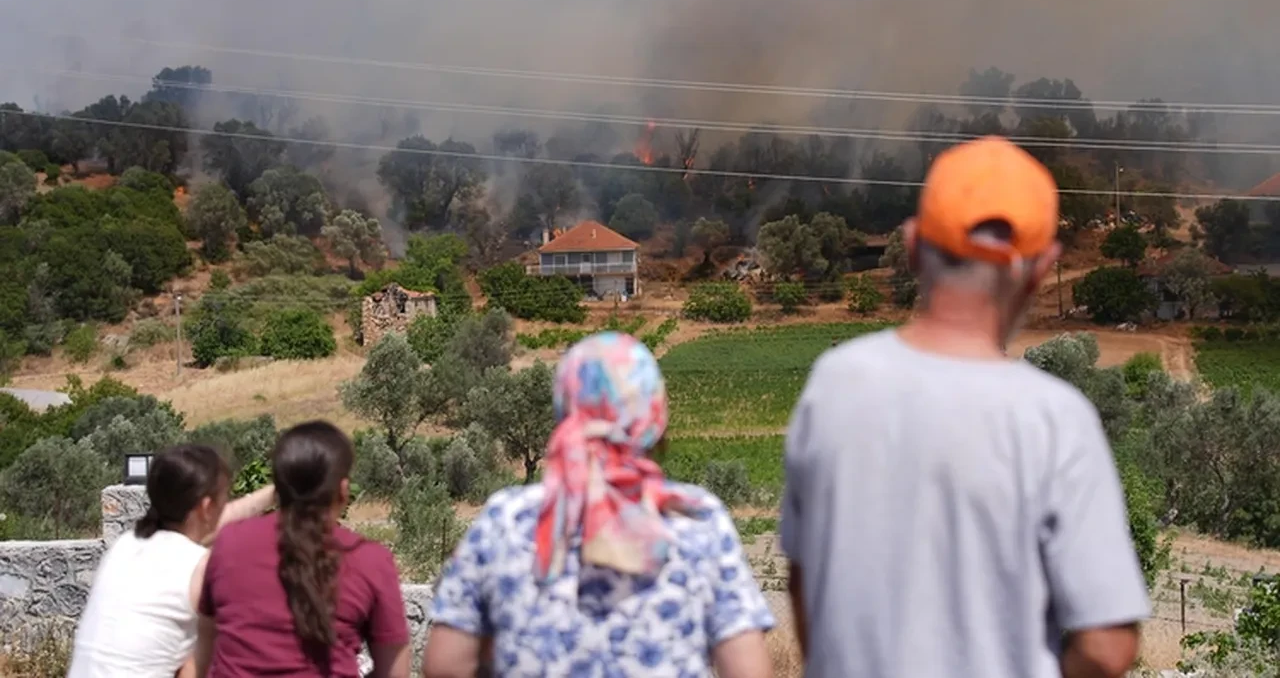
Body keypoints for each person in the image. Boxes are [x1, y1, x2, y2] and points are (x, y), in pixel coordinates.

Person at [781, 136, 1150, 678]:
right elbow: (1106, 646)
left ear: (911, 248)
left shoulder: (835, 383)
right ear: (1043, 269)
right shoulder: (1053, 418)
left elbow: (804, 578)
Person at [425, 332, 774, 678]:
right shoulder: (696, 517)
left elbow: (445, 666)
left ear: (563, 409)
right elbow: (748, 670)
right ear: (655, 418)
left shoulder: (505, 518)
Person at [195, 420, 409, 678]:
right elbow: (395, 671)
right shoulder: (369, 559)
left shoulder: (230, 544)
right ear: (342, 491)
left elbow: (202, 653)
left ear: (278, 487)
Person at [68, 444, 275, 678]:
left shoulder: (126, 545)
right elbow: (195, 669)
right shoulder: (199, 568)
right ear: (206, 507)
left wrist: (273, 493)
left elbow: (208, 524)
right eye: (225, 496)